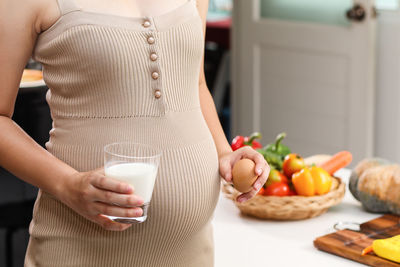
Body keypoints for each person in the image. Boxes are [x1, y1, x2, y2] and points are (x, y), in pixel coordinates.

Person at [0, 0, 269, 266]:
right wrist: (68, 185)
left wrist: (224, 152)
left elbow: (194, 83)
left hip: (191, 250)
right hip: (81, 248)